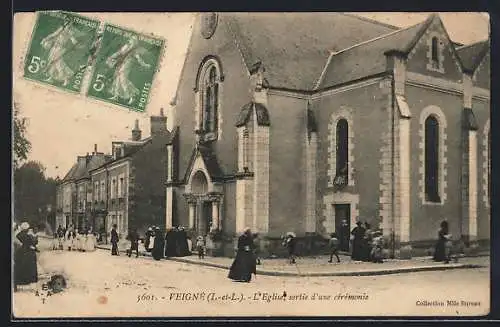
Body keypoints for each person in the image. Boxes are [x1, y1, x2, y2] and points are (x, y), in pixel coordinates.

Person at [15, 222, 38, 291]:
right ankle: (29, 280)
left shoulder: (18, 235)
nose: (28, 229)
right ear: (26, 229)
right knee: (30, 266)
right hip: (27, 252)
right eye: (28, 228)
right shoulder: (27, 236)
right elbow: (33, 243)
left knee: (20, 266)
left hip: (20, 252)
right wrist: (35, 237)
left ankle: (21, 279)